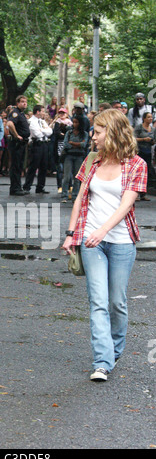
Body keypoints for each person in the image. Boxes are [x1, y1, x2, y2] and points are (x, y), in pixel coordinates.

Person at [62, 109, 147, 382]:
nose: (93, 136)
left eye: (98, 131)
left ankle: (115, 349)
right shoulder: (91, 161)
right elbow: (78, 200)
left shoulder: (136, 164)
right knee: (97, 301)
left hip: (121, 241)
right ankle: (102, 361)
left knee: (116, 302)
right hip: (91, 241)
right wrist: (71, 233)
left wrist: (103, 230)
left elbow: (126, 204)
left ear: (112, 132)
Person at [23, 105, 52, 194]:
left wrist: (42, 130)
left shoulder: (42, 121)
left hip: (44, 144)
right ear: (38, 112)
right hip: (36, 144)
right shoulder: (31, 121)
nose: (44, 113)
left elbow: (50, 132)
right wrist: (44, 131)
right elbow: (37, 134)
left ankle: (40, 187)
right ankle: (27, 186)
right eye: (43, 111)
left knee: (43, 166)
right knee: (33, 166)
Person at [61, 114, 88, 203]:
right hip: (69, 155)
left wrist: (72, 143)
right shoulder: (69, 132)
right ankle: (64, 195)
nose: (74, 124)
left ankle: (75, 196)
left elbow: (83, 145)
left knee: (77, 177)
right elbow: (66, 144)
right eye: (74, 122)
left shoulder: (84, 134)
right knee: (67, 176)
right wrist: (78, 144)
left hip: (79, 156)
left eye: (76, 122)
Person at [7, 95, 30, 195]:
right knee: (16, 166)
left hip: (22, 143)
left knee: (19, 165)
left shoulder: (21, 113)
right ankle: (14, 188)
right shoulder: (15, 113)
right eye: (22, 102)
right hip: (17, 143)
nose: (24, 103)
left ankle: (18, 187)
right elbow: (10, 124)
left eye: (25, 102)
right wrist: (17, 135)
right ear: (18, 103)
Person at [134, 112, 156, 201]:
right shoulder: (139, 127)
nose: (150, 119)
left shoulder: (153, 129)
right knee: (137, 172)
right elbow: (133, 138)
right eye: (148, 117)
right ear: (144, 118)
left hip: (148, 152)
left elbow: (154, 141)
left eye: (151, 117)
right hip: (139, 151)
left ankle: (143, 193)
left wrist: (151, 141)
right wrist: (143, 139)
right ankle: (136, 193)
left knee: (146, 172)